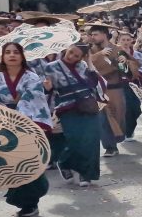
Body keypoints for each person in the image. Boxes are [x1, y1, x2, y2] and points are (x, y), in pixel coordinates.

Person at [0, 43, 52, 216]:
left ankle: (31, 202)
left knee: (30, 162)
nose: (12, 55)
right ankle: (23, 201)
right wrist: (5, 114)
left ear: (22, 56)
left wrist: (16, 116)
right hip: (2, 127)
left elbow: (33, 99)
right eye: (7, 52)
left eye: (16, 52)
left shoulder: (31, 77)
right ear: (2, 57)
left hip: (28, 124)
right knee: (12, 164)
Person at [43, 44, 106, 187]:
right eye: (70, 52)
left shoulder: (83, 65)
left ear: (81, 57)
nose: (71, 57)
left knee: (92, 139)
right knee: (75, 140)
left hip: (88, 105)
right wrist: (47, 88)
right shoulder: (51, 67)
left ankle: (86, 174)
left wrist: (89, 61)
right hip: (67, 108)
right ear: (66, 49)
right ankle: (64, 162)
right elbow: (48, 88)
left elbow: (93, 82)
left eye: (76, 56)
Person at [87, 23, 137, 157]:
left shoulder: (117, 48)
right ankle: (109, 147)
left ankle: (115, 141)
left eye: (95, 34)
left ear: (104, 35)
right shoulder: (90, 51)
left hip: (116, 89)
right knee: (103, 119)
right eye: (91, 35)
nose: (93, 37)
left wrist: (124, 62)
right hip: (99, 90)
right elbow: (87, 66)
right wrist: (99, 55)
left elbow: (130, 71)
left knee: (118, 117)